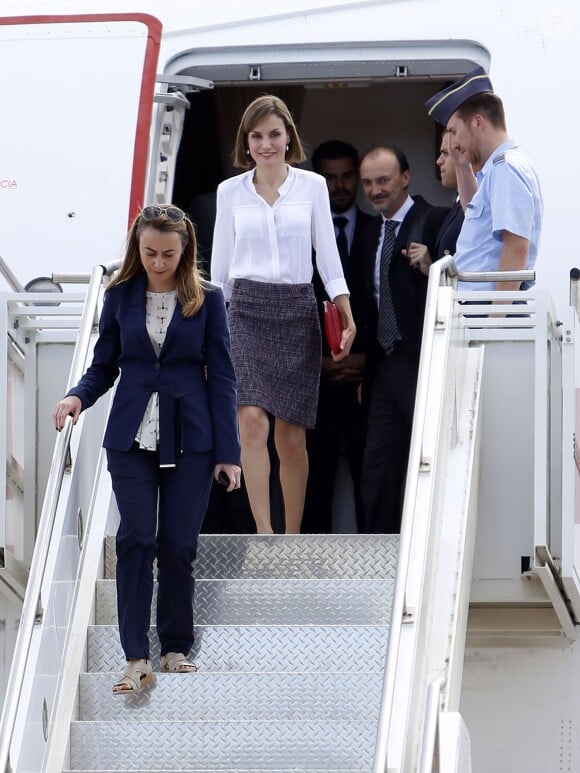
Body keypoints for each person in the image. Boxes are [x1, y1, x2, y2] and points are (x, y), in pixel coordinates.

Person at [52, 204, 241, 695]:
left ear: (185, 252)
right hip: (130, 437)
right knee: (136, 539)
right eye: (150, 253)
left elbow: (222, 378)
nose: (159, 262)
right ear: (137, 249)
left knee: (178, 545)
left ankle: (175, 646)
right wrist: (77, 395)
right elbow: (104, 365)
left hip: (193, 438)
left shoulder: (208, 300)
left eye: (169, 254)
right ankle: (135, 657)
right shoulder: (119, 296)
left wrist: (229, 452)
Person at [211, 95, 356, 535]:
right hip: (246, 312)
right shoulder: (229, 192)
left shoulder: (312, 186)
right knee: (251, 423)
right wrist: (210, 334)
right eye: (256, 136)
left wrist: (346, 314)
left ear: (289, 136)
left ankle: (291, 536)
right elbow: (219, 271)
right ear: (246, 141)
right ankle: (265, 535)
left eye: (274, 134)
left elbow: (327, 257)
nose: (266, 144)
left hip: (296, 310)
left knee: (291, 437)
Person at [358, 145, 435, 534]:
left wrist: (432, 262)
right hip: (382, 367)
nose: (375, 191)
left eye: (383, 180)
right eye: (368, 183)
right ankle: (379, 555)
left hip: (421, 361)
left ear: (406, 177)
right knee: (378, 467)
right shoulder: (369, 230)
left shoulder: (433, 220)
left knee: (427, 461)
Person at [303, 140, 373, 533]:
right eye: (329, 177)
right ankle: (310, 567)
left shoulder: (378, 231)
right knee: (313, 473)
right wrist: (321, 363)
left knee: (373, 474)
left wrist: (366, 362)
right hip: (315, 378)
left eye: (347, 176)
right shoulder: (299, 236)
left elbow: (382, 307)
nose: (339, 185)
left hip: (367, 379)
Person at [425, 66, 543, 292]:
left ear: (477, 123)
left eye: (454, 132)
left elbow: (516, 249)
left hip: (484, 314)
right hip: (475, 310)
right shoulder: (494, 170)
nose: (452, 143)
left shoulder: (505, 168)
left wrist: (495, 317)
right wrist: (461, 165)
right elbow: (475, 216)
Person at [402, 130, 469, 275]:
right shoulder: (458, 206)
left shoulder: (471, 205)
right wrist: (430, 267)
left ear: (463, 155)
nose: (439, 161)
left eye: (445, 153)